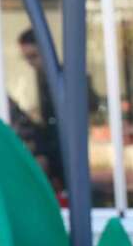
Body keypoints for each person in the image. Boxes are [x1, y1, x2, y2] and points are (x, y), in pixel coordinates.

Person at [7, 27, 99, 196]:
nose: (30, 63)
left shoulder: (66, 77)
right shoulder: (41, 78)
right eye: (26, 58)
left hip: (65, 150)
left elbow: (90, 104)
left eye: (33, 56)